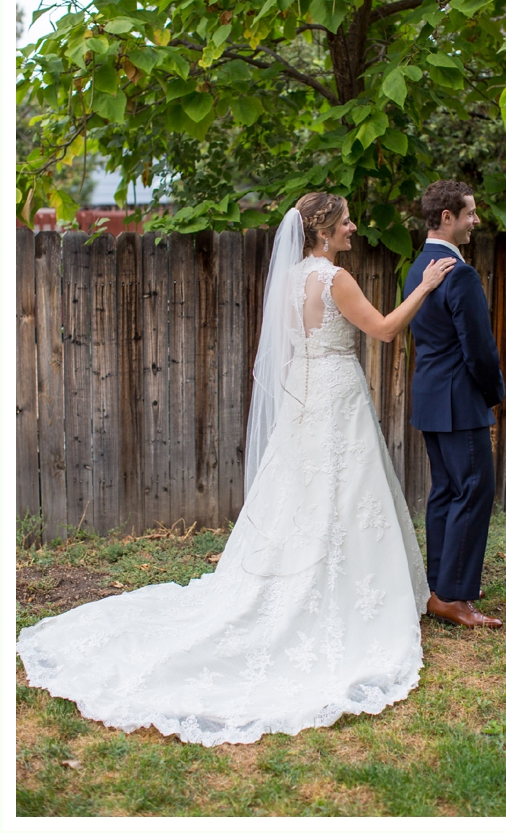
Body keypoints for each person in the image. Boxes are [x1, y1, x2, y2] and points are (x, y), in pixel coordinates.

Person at [17, 193, 456, 746]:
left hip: (306, 395)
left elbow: (291, 350)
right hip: (336, 395)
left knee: (306, 496)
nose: (352, 228)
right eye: (345, 222)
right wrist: (425, 286)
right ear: (323, 231)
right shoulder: (332, 279)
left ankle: (300, 579)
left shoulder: (294, 277)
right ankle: (337, 597)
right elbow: (386, 330)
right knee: (339, 495)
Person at [404, 180, 506, 630]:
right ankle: (455, 596)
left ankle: (442, 584)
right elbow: (478, 348)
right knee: (474, 490)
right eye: (470, 213)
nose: (475, 220)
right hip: (459, 401)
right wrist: (494, 393)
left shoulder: (418, 267)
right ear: (447, 217)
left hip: (430, 396)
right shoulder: (458, 272)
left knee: (446, 491)